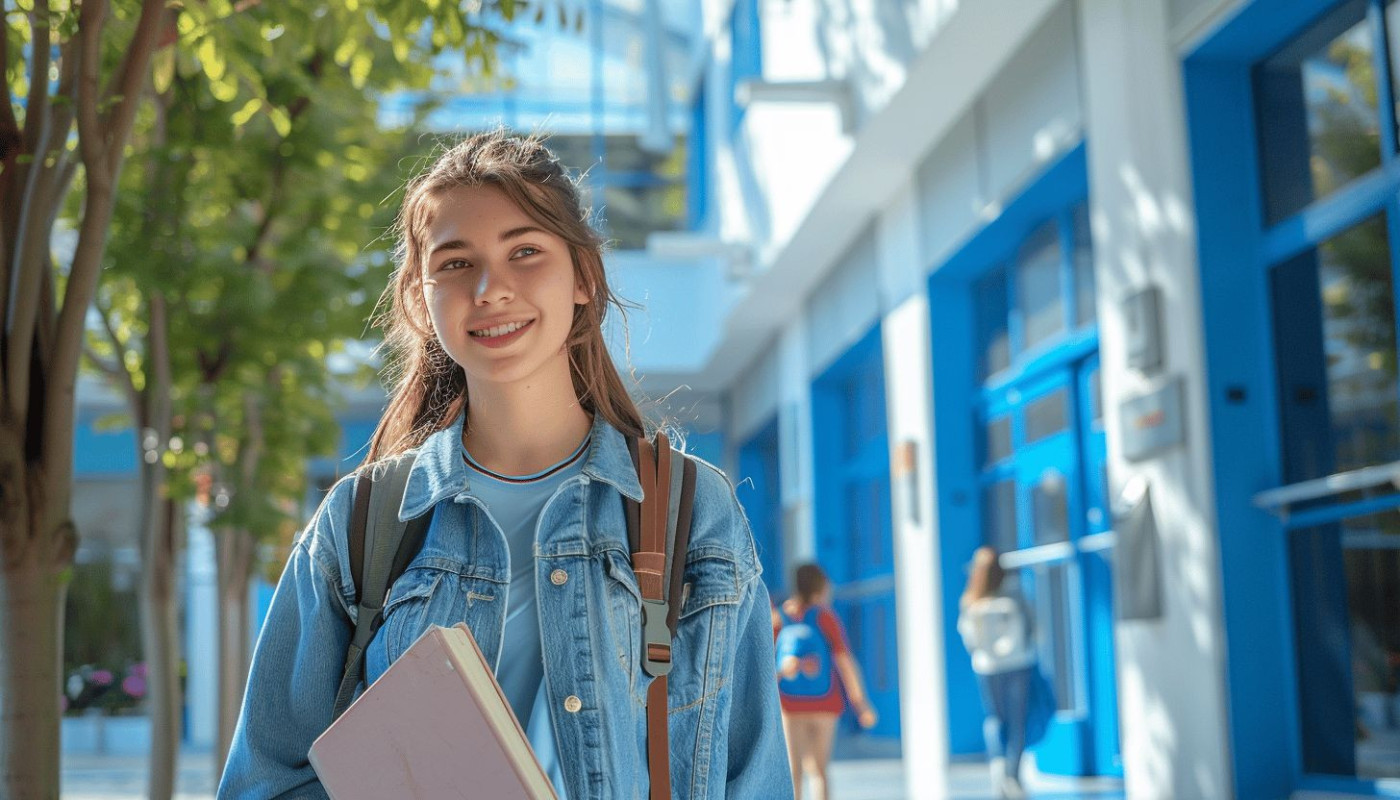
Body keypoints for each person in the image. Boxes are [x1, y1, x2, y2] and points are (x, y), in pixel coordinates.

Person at [218, 129, 793, 799]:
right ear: (419, 298)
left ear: (583, 276)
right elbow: (263, 785)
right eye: (456, 263)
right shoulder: (362, 525)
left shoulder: (692, 511)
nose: (491, 288)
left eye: (525, 252)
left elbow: (753, 780)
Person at [774, 563, 878, 800]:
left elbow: (766, 663)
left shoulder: (779, 617)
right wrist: (860, 703)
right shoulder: (825, 617)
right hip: (826, 703)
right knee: (819, 771)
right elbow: (845, 662)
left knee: (793, 770)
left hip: (790, 704)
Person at [958, 546, 1036, 800]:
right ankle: (1013, 775)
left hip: (987, 667)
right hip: (1017, 664)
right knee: (1017, 721)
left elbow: (968, 637)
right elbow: (1032, 625)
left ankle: (998, 769)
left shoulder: (972, 598)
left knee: (995, 719)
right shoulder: (1014, 594)